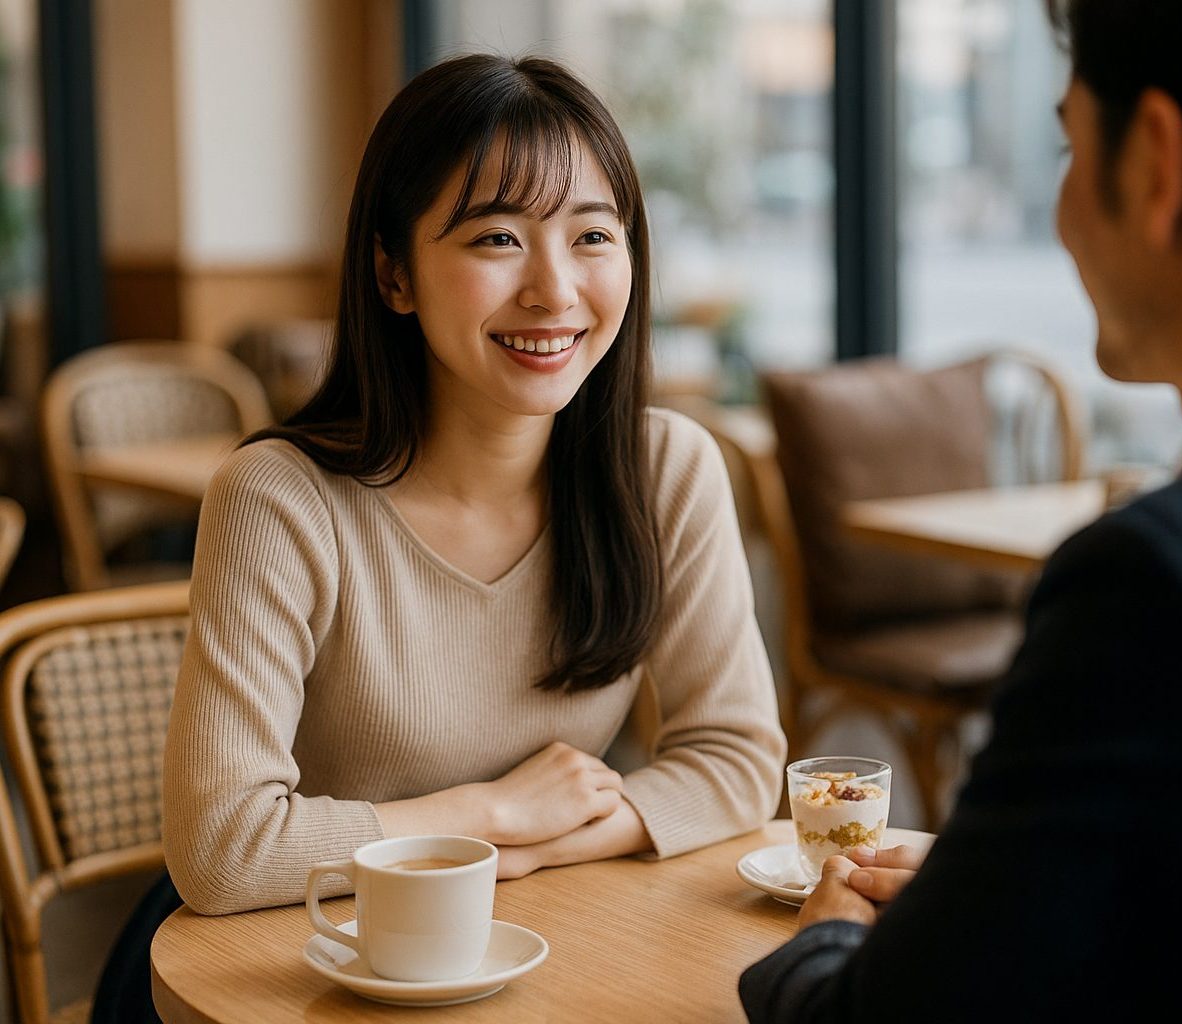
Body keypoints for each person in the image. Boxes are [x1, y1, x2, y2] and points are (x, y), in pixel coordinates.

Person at [93, 52, 785, 1021]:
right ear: (393, 273)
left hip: (533, 939)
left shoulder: (664, 467)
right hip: (288, 958)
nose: (554, 290)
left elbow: (740, 759)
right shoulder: (280, 498)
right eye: (498, 238)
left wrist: (540, 845)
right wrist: (491, 813)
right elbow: (222, 848)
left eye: (593, 235)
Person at [741, 0, 1182, 1019]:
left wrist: (825, 940)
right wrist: (1005, 885)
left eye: (1071, 146)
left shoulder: (1167, 578)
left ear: (1159, 163)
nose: (1063, 208)